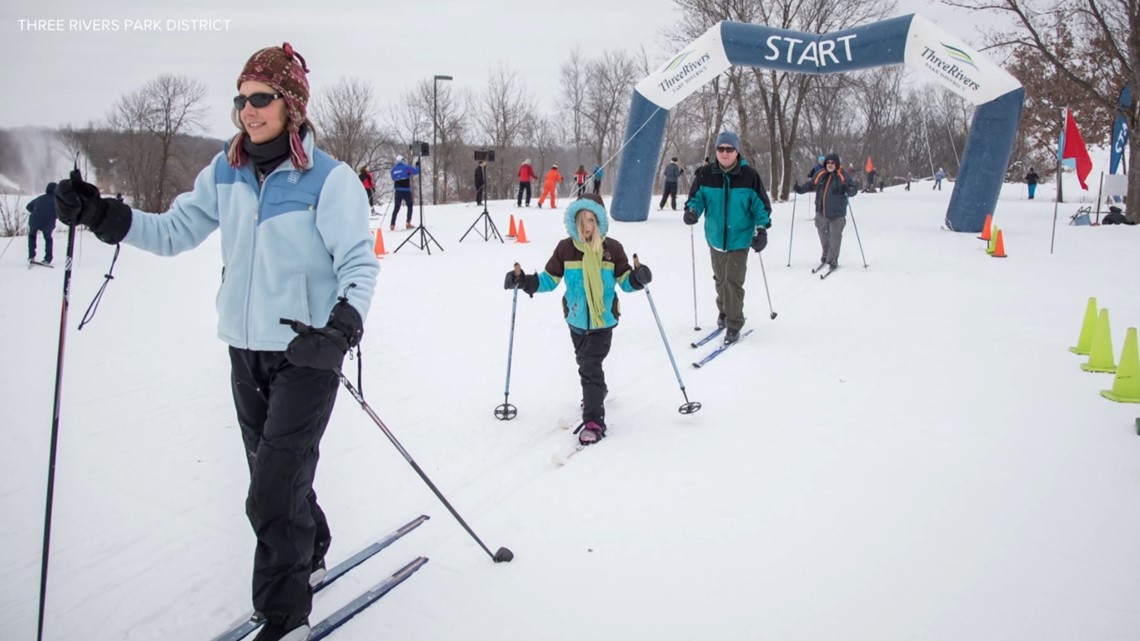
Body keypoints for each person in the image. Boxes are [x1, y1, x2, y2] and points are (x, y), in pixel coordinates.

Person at [53, 42, 379, 641]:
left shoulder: (328, 180)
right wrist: (102, 215)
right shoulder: (224, 171)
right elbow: (175, 230)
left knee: (272, 489)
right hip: (244, 347)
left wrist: (340, 329)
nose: (247, 111)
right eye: (241, 99)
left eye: (261, 98)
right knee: (272, 472)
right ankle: (313, 543)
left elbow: (359, 264)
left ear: (292, 106)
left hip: (308, 353)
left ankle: (283, 615)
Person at [503, 193, 652, 445]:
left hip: (603, 321)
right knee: (585, 363)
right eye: (581, 220)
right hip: (575, 320)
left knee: (589, 367)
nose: (586, 227)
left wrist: (638, 278)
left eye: (591, 220)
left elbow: (625, 281)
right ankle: (598, 391)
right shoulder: (566, 248)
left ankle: (594, 420)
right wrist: (524, 281)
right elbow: (549, 280)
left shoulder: (611, 249)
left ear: (600, 222)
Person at [682, 132, 772, 345]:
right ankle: (724, 311)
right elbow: (696, 198)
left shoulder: (749, 176)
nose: (724, 153)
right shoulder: (705, 174)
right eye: (721, 149)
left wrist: (762, 230)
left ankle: (734, 322)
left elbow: (761, 206)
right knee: (721, 280)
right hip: (714, 238)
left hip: (740, 239)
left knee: (732, 281)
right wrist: (692, 211)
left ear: (737, 151)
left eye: (729, 149)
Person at [793, 152, 858, 272]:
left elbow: (854, 189)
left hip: (837, 214)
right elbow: (811, 184)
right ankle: (826, 253)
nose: (830, 165)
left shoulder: (843, 175)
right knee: (822, 234)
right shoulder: (821, 174)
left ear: (837, 164)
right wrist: (799, 189)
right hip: (821, 212)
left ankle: (832, 259)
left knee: (835, 237)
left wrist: (849, 190)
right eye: (828, 163)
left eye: (832, 163)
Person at [26, 182, 57, 265]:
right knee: (48, 239)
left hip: (34, 220)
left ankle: (31, 256)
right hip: (48, 222)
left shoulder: (40, 198)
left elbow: (28, 206)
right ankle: (48, 258)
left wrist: (36, 211)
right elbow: (60, 213)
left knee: (32, 236)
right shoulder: (57, 200)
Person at [390, 154, 420, 230]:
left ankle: (392, 224)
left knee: (396, 208)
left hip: (398, 191)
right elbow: (416, 172)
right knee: (409, 206)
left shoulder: (393, 170)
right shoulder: (406, 168)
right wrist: (417, 165)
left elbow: (393, 178)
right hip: (406, 190)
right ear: (402, 160)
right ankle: (408, 223)